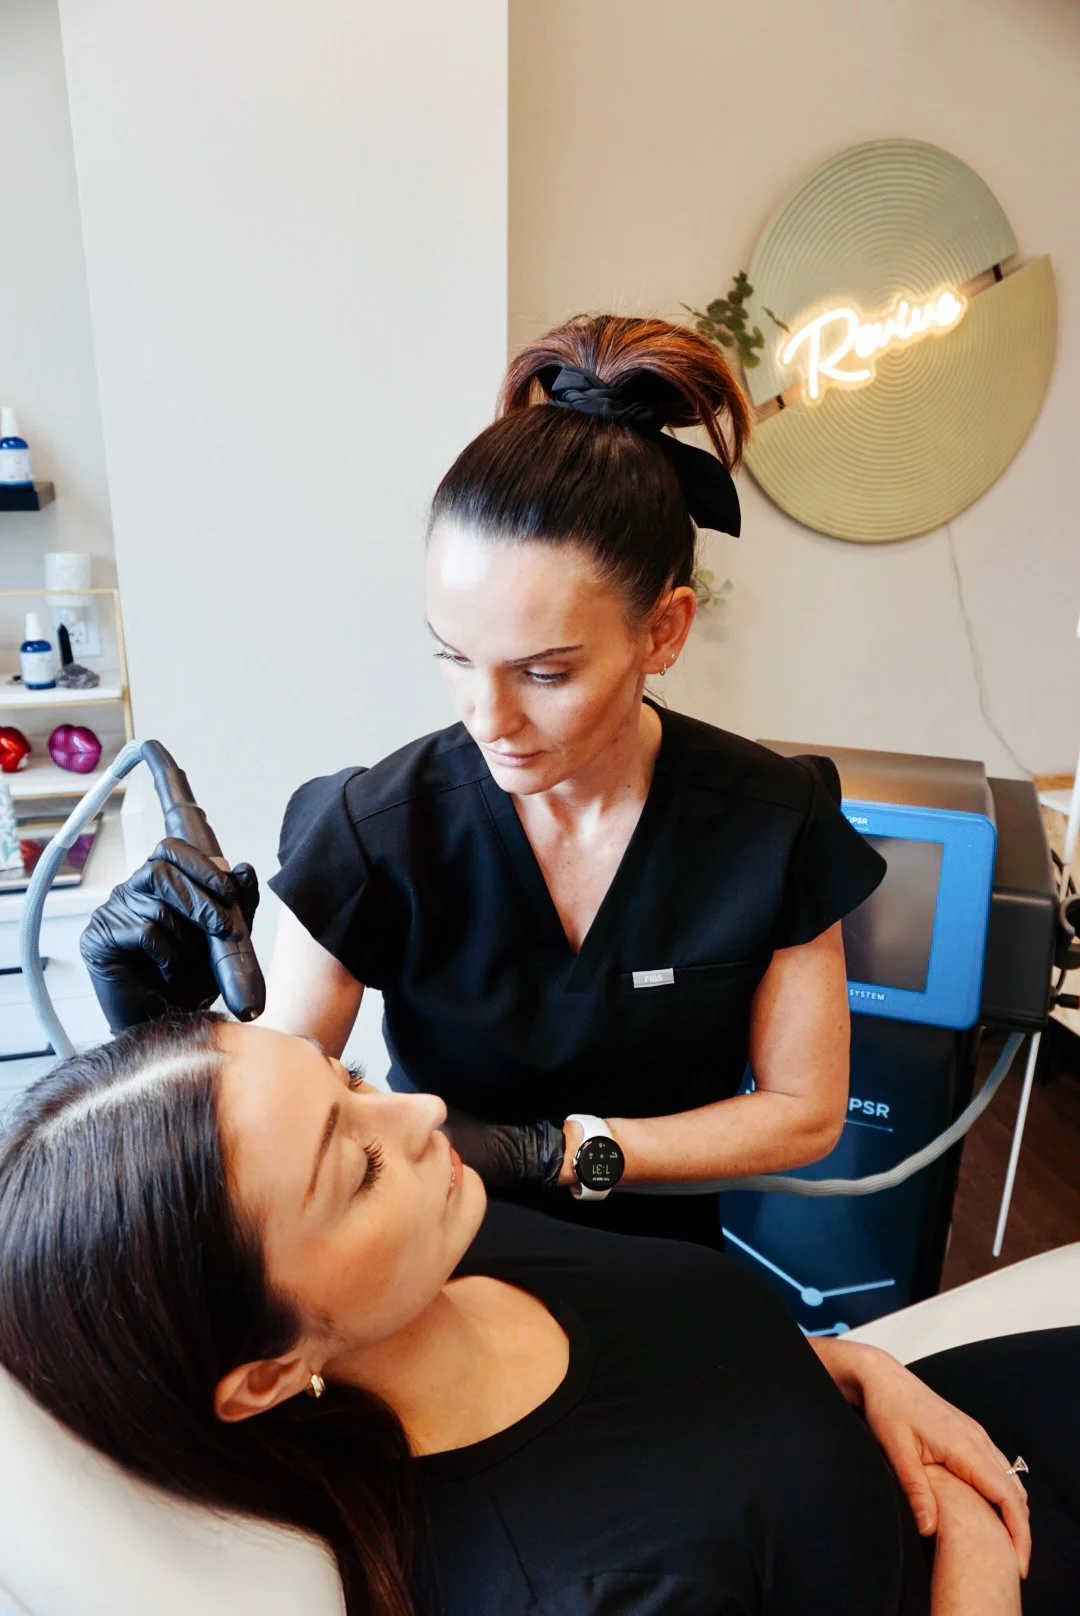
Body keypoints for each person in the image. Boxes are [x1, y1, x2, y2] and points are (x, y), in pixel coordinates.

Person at [79, 314, 887, 1249]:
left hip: (664, 1271)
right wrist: (162, 1033)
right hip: (426, 1260)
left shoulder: (771, 825)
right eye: (455, 657)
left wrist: (567, 1153)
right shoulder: (376, 831)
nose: (488, 719)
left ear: (663, 631)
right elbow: (263, 1137)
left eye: (545, 673)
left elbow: (802, 1114)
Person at [3, 1016, 1077, 1616]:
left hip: (936, 1427)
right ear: (272, 1370)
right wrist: (977, 1549)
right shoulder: (582, 1588)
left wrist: (860, 1368)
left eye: (354, 1075)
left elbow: (711, 1349)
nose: (421, 1110)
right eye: (359, 1164)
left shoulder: (451, 1242)